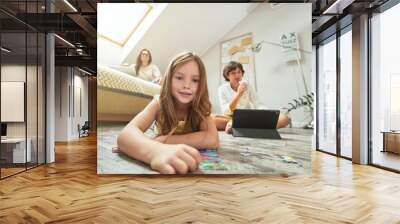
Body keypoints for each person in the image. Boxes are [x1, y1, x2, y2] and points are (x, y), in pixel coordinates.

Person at [117, 51, 219, 174]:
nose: (187, 85)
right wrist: (155, 151)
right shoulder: (159, 103)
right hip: (167, 131)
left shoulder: (201, 105)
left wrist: (166, 140)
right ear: (169, 79)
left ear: (201, 84)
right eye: (179, 78)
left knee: (217, 121)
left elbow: (212, 139)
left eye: (195, 80)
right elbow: (125, 134)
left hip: (172, 133)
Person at [213, 61, 290, 133]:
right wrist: (239, 94)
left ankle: (240, 126)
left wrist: (266, 113)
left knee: (284, 118)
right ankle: (255, 127)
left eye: (239, 72)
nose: (237, 75)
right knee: (211, 118)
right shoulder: (222, 89)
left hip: (249, 117)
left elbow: (257, 103)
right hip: (232, 117)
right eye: (233, 73)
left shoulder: (247, 86)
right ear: (227, 75)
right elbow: (226, 111)